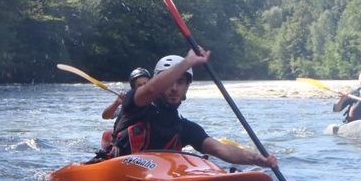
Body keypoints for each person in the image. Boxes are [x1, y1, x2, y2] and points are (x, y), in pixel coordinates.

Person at [96, 48, 278, 169]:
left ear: (186, 89)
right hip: (119, 170)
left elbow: (219, 149)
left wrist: (258, 159)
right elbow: (151, 89)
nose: (174, 88)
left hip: (157, 180)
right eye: (170, 82)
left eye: (181, 82)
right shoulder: (135, 105)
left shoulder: (185, 128)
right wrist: (188, 62)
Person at [99, 67, 152, 149]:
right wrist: (117, 103)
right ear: (134, 88)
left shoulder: (156, 102)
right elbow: (105, 116)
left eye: (145, 84)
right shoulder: (128, 105)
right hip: (126, 143)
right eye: (139, 85)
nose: (143, 88)